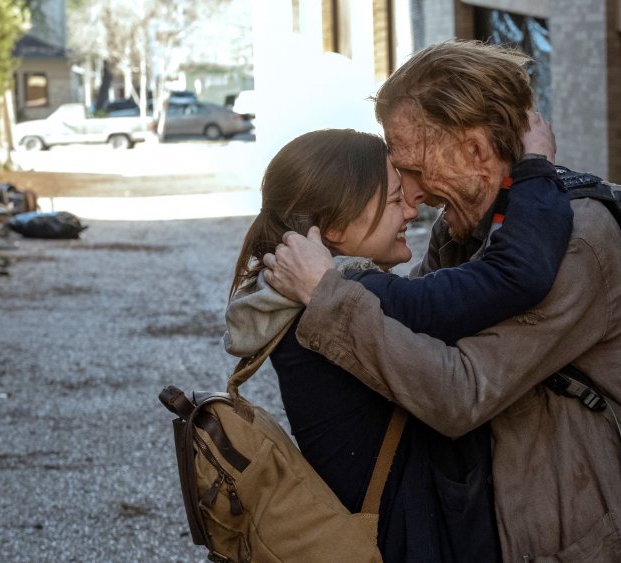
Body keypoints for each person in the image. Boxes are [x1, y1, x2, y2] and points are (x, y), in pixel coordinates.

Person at [262, 40, 621, 562]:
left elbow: (459, 393)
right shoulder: (471, 229)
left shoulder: (574, 245)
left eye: (416, 170)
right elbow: (413, 321)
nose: (413, 194)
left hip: (597, 535)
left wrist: (328, 297)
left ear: (474, 151)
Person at [225, 122, 571, 562]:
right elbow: (515, 275)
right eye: (393, 200)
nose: (411, 209)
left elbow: (437, 294)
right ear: (333, 227)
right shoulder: (353, 295)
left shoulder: (308, 299)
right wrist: (536, 167)